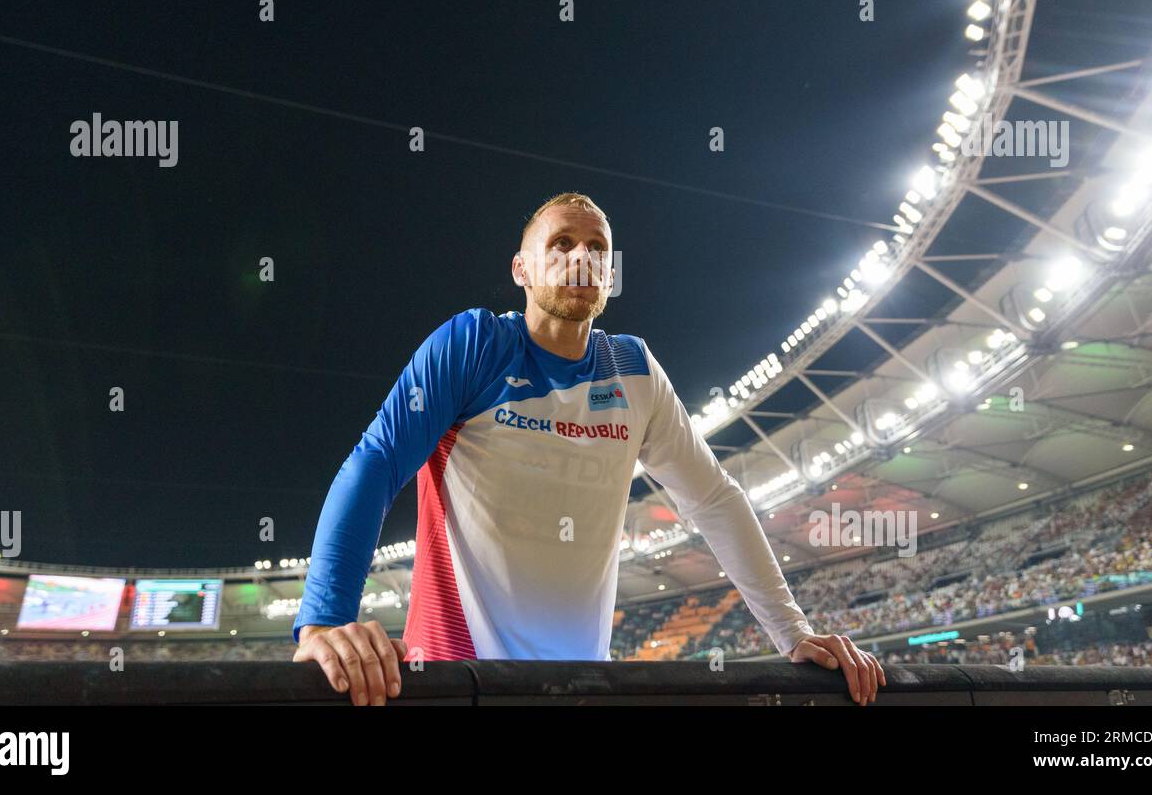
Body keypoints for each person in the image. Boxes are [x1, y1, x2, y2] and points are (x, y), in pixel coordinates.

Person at [292, 192, 884, 706]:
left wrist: (793, 632)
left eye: (597, 249)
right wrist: (323, 622)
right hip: (454, 681)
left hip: (577, 688)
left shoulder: (634, 371)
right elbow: (377, 462)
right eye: (562, 244)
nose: (581, 257)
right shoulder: (474, 345)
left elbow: (714, 500)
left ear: (610, 274)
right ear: (521, 269)